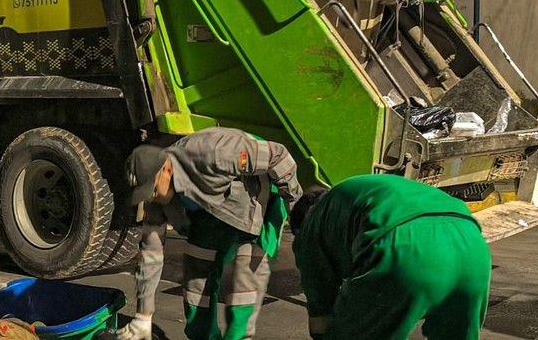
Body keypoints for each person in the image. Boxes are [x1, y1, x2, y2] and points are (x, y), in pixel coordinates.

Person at [117, 128, 302, 340]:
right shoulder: (158, 199)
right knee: (196, 286)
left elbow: (279, 156)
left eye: (152, 189)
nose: (151, 198)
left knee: (244, 288)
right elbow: (151, 254)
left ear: (166, 169)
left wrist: (298, 212)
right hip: (210, 212)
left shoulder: (214, 152)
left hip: (257, 201)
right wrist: (143, 317)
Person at [289, 175, 491, 340]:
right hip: (473, 247)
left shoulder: (311, 225)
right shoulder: (359, 191)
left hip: (406, 246)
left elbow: (320, 306)